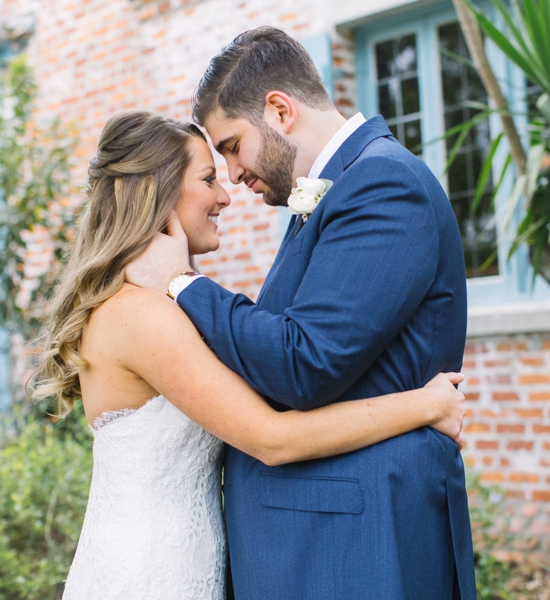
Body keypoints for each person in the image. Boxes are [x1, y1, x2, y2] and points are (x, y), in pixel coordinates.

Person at [29, 111, 467, 599]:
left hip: (183, 558)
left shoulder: (150, 307)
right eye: (208, 178)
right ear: (158, 190)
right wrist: (425, 405)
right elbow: (272, 437)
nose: (224, 193)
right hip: (153, 571)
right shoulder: (141, 316)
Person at [125, 27, 476, 599]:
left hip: (360, 544)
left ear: (280, 110)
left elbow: (304, 363)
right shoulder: (336, 192)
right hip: (319, 538)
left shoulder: (384, 184)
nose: (234, 176)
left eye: (233, 147)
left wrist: (184, 285)